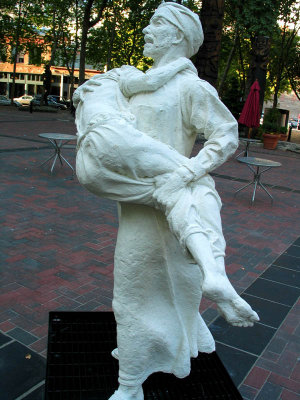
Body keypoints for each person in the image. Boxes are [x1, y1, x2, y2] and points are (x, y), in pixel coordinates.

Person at [75, 3, 259, 400]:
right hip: (140, 204)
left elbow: (225, 134)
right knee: (138, 289)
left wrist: (191, 171)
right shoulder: (134, 82)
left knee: (136, 289)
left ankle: (130, 383)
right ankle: (140, 355)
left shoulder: (192, 88)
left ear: (177, 35)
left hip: (170, 206)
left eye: (155, 23)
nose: (145, 30)